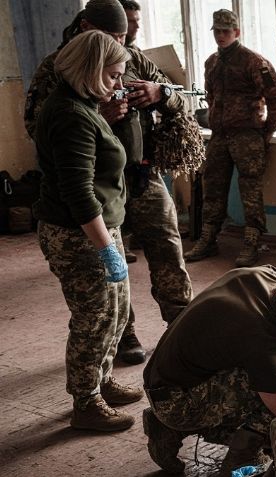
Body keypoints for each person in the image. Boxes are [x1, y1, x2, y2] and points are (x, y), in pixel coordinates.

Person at [25, 0, 194, 366]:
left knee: (168, 249)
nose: (122, 43)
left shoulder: (133, 58)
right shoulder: (58, 68)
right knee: (109, 269)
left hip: (142, 175)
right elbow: (40, 128)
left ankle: (182, 325)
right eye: (113, 35)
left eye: (125, 35)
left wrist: (161, 95)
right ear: (86, 27)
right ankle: (123, 334)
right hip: (97, 183)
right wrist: (96, 116)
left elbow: (183, 101)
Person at [33, 30, 142, 432]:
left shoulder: (83, 105)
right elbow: (77, 191)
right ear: (90, 71)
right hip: (79, 235)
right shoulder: (68, 115)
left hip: (98, 230)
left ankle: (102, 379)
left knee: (115, 313)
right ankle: (86, 400)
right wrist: (106, 248)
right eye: (113, 76)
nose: (117, 84)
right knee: (94, 319)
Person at [141, 265, 276, 475]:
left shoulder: (271, 276)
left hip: (166, 375)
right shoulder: (261, 340)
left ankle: (207, 425)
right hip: (174, 402)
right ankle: (242, 451)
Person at [183, 9, 276, 268]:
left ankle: (252, 242)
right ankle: (208, 239)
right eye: (217, 31)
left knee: (250, 190)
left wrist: (266, 132)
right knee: (213, 186)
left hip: (247, 135)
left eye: (225, 31)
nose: (220, 36)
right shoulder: (211, 62)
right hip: (220, 135)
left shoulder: (253, 62)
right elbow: (211, 97)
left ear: (236, 32)